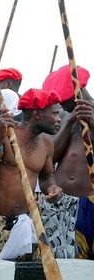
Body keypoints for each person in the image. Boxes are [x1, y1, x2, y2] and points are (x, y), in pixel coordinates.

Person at [0, 88, 63, 260]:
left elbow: (46, 177)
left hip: (24, 224)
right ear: (38, 114)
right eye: (55, 114)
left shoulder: (47, 143)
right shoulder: (4, 133)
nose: (59, 119)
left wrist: (52, 188)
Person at [41, 64, 94, 259]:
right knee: (62, 261)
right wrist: (70, 121)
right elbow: (51, 156)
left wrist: (92, 123)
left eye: (66, 101)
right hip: (63, 202)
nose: (62, 105)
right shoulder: (63, 117)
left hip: (90, 201)